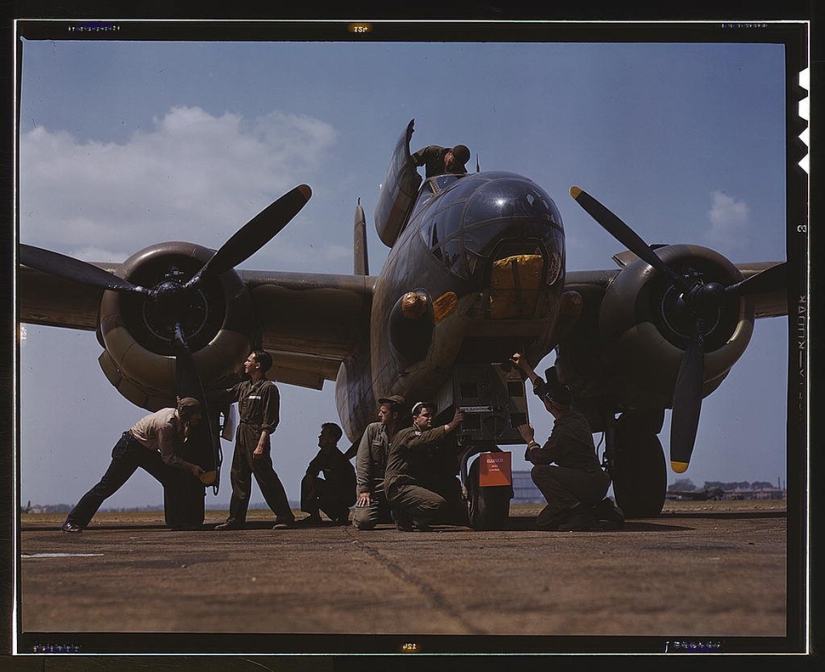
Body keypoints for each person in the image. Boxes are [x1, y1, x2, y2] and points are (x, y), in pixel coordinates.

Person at [510, 352, 621, 531]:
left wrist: (530, 440)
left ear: (549, 405)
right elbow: (543, 390)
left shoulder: (564, 431)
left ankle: (579, 514)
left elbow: (540, 458)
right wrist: (525, 366)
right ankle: (600, 510)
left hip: (587, 483)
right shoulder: (575, 414)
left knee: (539, 472)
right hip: (593, 482)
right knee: (544, 521)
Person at [61, 397, 206, 533]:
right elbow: (168, 458)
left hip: (145, 450)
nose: (199, 418)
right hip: (130, 449)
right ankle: (73, 521)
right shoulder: (166, 425)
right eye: (196, 414)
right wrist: (191, 467)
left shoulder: (177, 418)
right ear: (187, 414)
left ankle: (177, 522)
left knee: (172, 478)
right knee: (105, 487)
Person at [212, 350, 295, 530]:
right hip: (242, 433)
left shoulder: (268, 388)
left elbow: (269, 420)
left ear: (258, 365)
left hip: (256, 435)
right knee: (238, 476)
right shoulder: (244, 387)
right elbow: (225, 394)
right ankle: (235, 519)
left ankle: (285, 517)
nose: (245, 363)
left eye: (249, 360)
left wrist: (260, 445)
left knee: (265, 477)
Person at [383, 402, 464, 531]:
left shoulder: (423, 435)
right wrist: (452, 424)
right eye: (426, 415)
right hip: (398, 485)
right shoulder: (407, 434)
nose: (430, 418)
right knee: (437, 504)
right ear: (415, 419)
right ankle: (407, 515)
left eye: (432, 415)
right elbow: (426, 438)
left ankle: (406, 515)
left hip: (411, 483)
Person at [352, 395, 407, 530]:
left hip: (397, 485)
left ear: (394, 415)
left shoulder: (407, 433)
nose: (379, 414)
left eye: (383, 412)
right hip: (374, 486)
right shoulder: (373, 430)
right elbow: (363, 461)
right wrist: (364, 489)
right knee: (364, 521)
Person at [298, 423, 357, 526]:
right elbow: (311, 470)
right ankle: (314, 516)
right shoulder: (323, 454)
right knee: (307, 480)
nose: (319, 436)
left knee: (322, 497)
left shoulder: (338, 459)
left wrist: (314, 492)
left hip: (345, 494)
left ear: (331, 439)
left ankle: (341, 512)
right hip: (333, 489)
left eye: (323, 434)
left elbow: (338, 485)